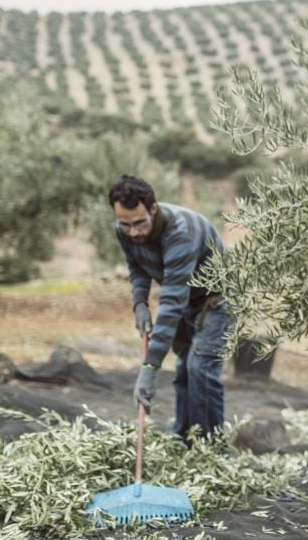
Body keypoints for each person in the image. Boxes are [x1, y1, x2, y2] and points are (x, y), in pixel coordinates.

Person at [108, 174, 232, 440]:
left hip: (217, 300)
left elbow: (172, 301)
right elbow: (137, 266)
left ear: (153, 209)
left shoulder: (181, 232)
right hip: (187, 300)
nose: (133, 232)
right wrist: (139, 303)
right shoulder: (125, 229)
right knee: (183, 370)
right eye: (125, 225)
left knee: (200, 368)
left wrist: (150, 368)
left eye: (139, 223)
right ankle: (183, 438)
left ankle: (210, 447)